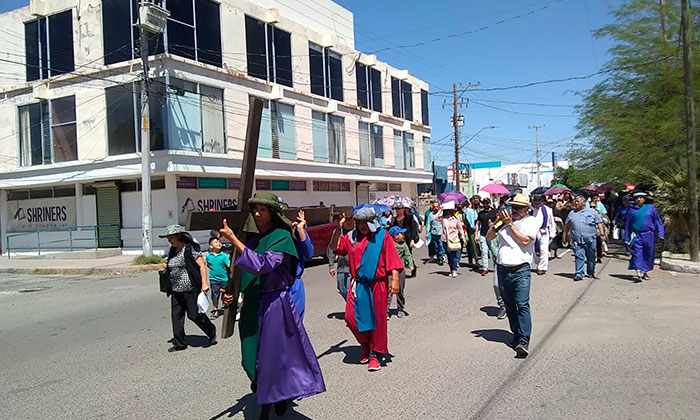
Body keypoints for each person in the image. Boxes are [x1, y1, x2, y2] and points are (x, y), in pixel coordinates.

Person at [219, 192, 325, 418]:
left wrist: (234, 240)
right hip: (251, 304)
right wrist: (230, 293)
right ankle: (274, 391)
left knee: (272, 358)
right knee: (250, 358)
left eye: (263, 209)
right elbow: (240, 271)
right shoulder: (254, 239)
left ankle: (272, 400)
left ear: (273, 213)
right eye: (255, 209)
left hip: (274, 303)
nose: (257, 213)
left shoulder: (282, 237)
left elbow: (262, 264)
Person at [332, 205, 402, 372]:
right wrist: (337, 228)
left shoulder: (382, 236)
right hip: (358, 284)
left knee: (376, 320)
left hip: (378, 284)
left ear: (372, 222)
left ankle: (374, 353)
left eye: (365, 223)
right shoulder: (351, 237)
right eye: (359, 223)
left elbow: (392, 257)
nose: (362, 226)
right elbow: (337, 248)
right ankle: (365, 342)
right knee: (351, 317)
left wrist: (395, 279)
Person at [485, 194, 539, 358]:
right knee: (509, 306)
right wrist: (497, 223)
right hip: (502, 268)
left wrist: (510, 225)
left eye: (518, 208)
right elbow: (489, 237)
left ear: (526, 209)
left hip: (521, 269)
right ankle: (516, 334)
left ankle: (524, 340)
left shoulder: (530, 221)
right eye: (512, 207)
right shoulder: (504, 222)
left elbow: (525, 241)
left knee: (522, 304)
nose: (514, 211)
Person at [161, 224, 217, 352]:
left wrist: (204, 283)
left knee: (194, 315)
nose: (169, 240)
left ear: (179, 236)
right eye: (168, 237)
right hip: (175, 289)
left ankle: (211, 331)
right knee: (176, 317)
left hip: (190, 288)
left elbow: (202, 265)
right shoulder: (172, 250)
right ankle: (179, 343)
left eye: (171, 237)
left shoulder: (190, 248)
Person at [474, 198, 506, 319]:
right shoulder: (482, 215)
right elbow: (479, 224)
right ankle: (502, 305)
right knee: (497, 285)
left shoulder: (515, 224)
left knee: (512, 288)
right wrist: (478, 233)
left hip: (514, 262)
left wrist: (498, 220)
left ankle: (513, 306)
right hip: (485, 237)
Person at [563, 195, 605, 281]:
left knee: (591, 257)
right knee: (579, 256)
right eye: (575, 201)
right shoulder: (572, 213)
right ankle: (579, 273)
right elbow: (567, 225)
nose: (576, 203)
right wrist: (564, 236)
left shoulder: (592, 212)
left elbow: (599, 223)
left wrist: (602, 234)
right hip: (577, 240)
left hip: (590, 239)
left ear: (584, 202)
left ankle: (591, 271)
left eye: (578, 201)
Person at [625, 192, 665, 281]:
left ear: (644, 199)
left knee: (648, 253)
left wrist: (661, 234)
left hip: (649, 235)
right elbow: (628, 225)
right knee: (637, 252)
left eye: (641, 198)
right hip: (637, 235)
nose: (639, 199)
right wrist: (627, 238)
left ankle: (645, 271)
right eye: (637, 198)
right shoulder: (631, 210)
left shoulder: (651, 209)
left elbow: (658, 221)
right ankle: (638, 270)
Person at [289, 209, 314, 321]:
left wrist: (300, 229)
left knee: (296, 324)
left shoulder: (297, 233)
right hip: (276, 285)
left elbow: (309, 253)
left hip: (295, 285)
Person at [387, 226, 414, 319]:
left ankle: (400, 309)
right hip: (390, 270)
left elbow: (407, 255)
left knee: (400, 290)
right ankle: (385, 310)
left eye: (401, 233)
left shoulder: (403, 244)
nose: (402, 235)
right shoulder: (389, 244)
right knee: (389, 290)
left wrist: (411, 265)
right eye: (399, 234)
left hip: (401, 269)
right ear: (394, 236)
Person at [329, 213, 355, 301]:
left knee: (349, 290)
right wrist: (331, 266)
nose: (348, 221)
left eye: (350, 219)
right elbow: (332, 249)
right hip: (341, 267)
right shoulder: (338, 232)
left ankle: (352, 309)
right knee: (341, 289)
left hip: (352, 268)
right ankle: (351, 305)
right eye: (346, 219)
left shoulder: (356, 232)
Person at [530, 194, 556, 275]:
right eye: (535, 203)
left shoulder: (547, 210)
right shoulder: (530, 210)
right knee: (533, 249)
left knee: (544, 250)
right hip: (533, 231)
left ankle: (543, 267)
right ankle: (538, 264)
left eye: (538, 203)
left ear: (541, 202)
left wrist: (552, 232)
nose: (536, 205)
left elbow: (552, 222)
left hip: (543, 231)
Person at [206, 236, 231, 319]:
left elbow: (229, 266)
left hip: (224, 279)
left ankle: (227, 309)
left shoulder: (224, 256)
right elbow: (209, 265)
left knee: (225, 294)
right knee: (214, 296)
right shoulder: (209, 256)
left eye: (219, 242)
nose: (219, 243)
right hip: (214, 279)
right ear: (211, 246)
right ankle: (215, 311)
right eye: (216, 242)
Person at [441, 201, 466, 278]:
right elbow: (435, 218)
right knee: (449, 255)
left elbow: (460, 228)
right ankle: (451, 269)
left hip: (455, 239)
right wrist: (440, 209)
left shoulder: (456, 218)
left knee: (454, 255)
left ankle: (454, 269)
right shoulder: (443, 219)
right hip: (446, 239)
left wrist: (463, 237)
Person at [463, 196, 481, 267]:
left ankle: (478, 258)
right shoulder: (468, 211)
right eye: (475, 200)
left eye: (477, 200)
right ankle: (474, 260)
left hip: (480, 229)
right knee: (472, 245)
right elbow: (465, 220)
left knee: (478, 245)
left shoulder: (479, 209)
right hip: (470, 230)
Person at [426, 201, 445, 265]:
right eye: (434, 207)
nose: (436, 208)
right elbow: (428, 224)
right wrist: (427, 232)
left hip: (441, 232)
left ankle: (441, 258)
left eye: (437, 206)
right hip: (434, 232)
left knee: (441, 245)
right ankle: (438, 257)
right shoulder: (431, 215)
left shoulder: (442, 213)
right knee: (436, 246)